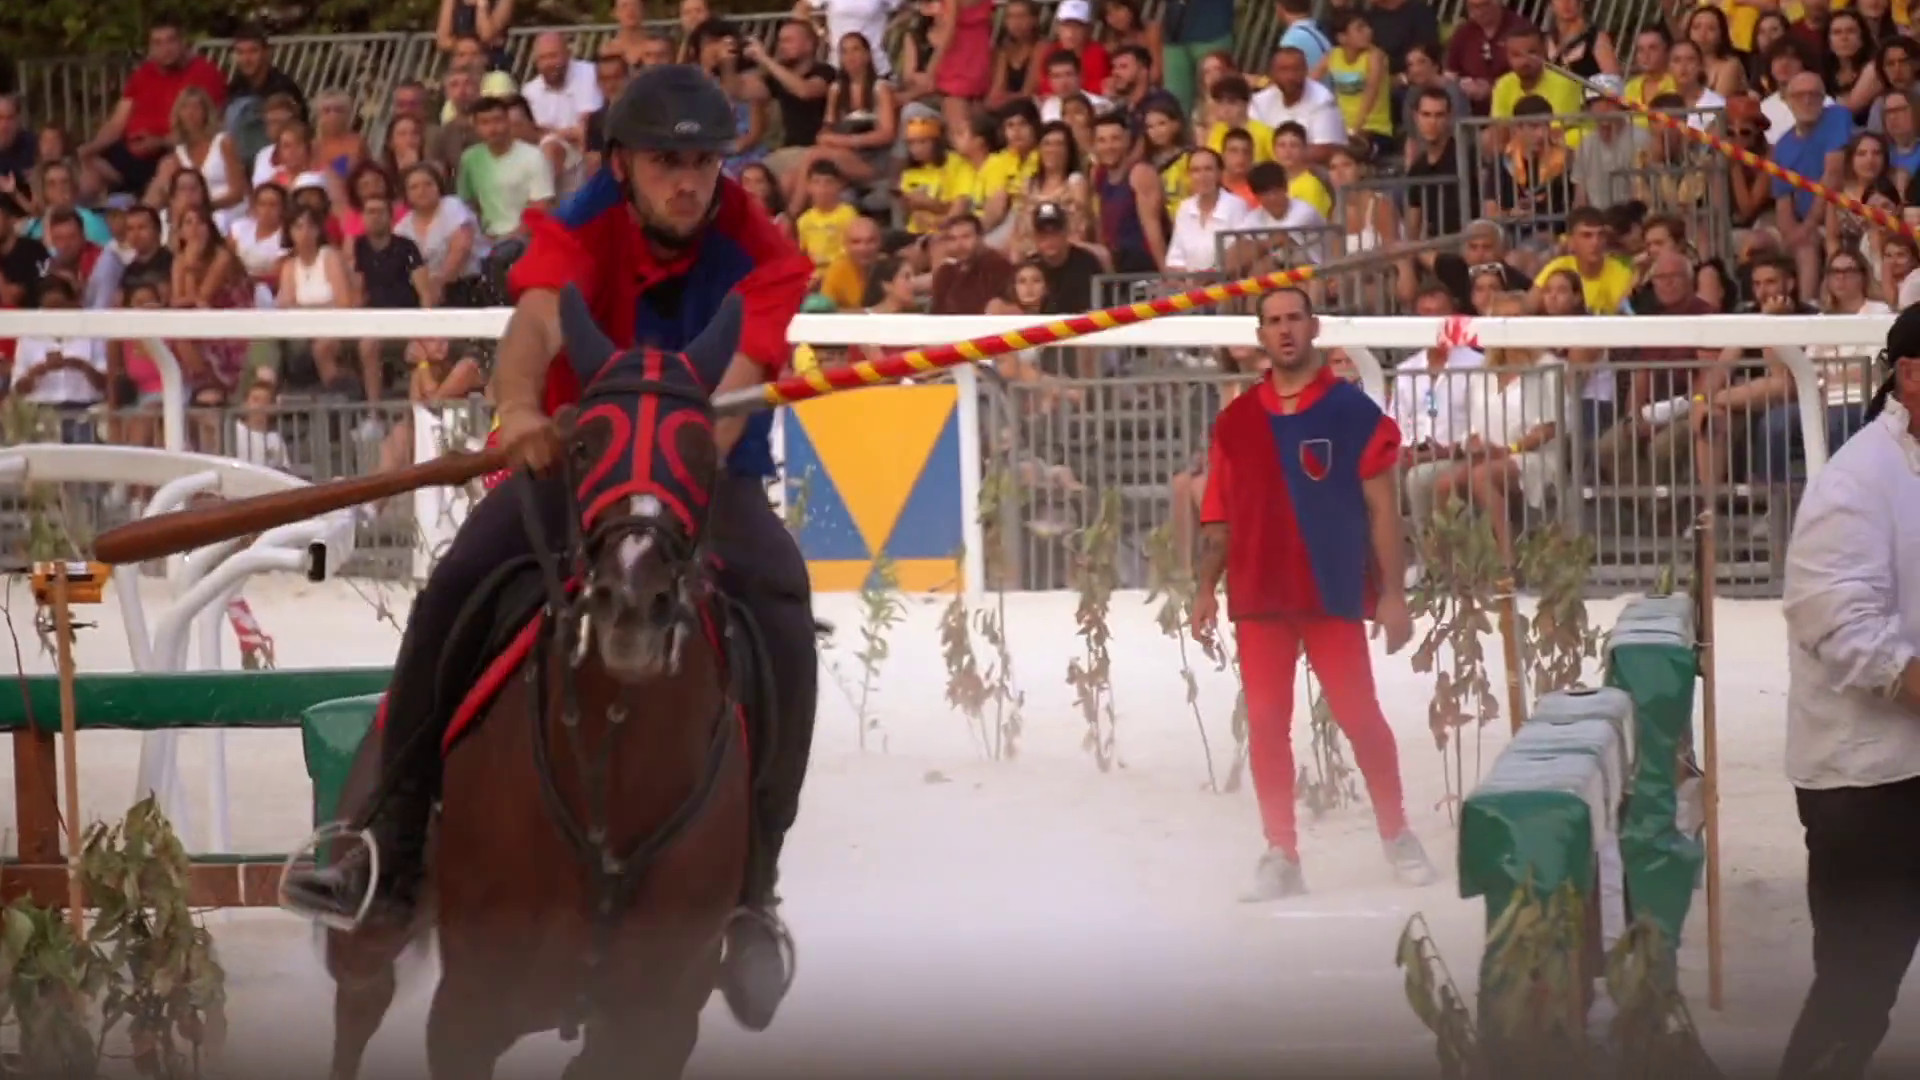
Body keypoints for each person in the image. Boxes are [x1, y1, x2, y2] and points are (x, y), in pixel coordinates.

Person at [279, 64, 817, 1034]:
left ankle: (753, 893)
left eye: (703, 161)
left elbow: (729, 395)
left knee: (782, 605)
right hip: (573, 467)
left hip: (704, 474)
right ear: (623, 163)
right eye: (666, 162)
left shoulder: (765, 250)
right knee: (458, 582)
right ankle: (386, 849)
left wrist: (674, 463)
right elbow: (533, 325)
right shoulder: (577, 223)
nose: (687, 181)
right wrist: (522, 407)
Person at [1189, 288, 1439, 901]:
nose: (1285, 331)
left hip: (1330, 590)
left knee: (1360, 718)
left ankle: (1396, 831)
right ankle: (1281, 852)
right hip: (1257, 595)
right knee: (1268, 725)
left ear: (1315, 326)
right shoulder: (1235, 423)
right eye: (1272, 322)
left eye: (1294, 318)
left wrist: (1393, 595)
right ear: (1260, 335)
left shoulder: (1354, 414)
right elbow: (1218, 521)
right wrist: (1202, 591)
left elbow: (1384, 510)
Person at [1777, 304, 1920, 1079]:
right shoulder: (1857, 481)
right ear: (1911, 376)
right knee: (1858, 992)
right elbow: (1847, 633)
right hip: (1866, 786)